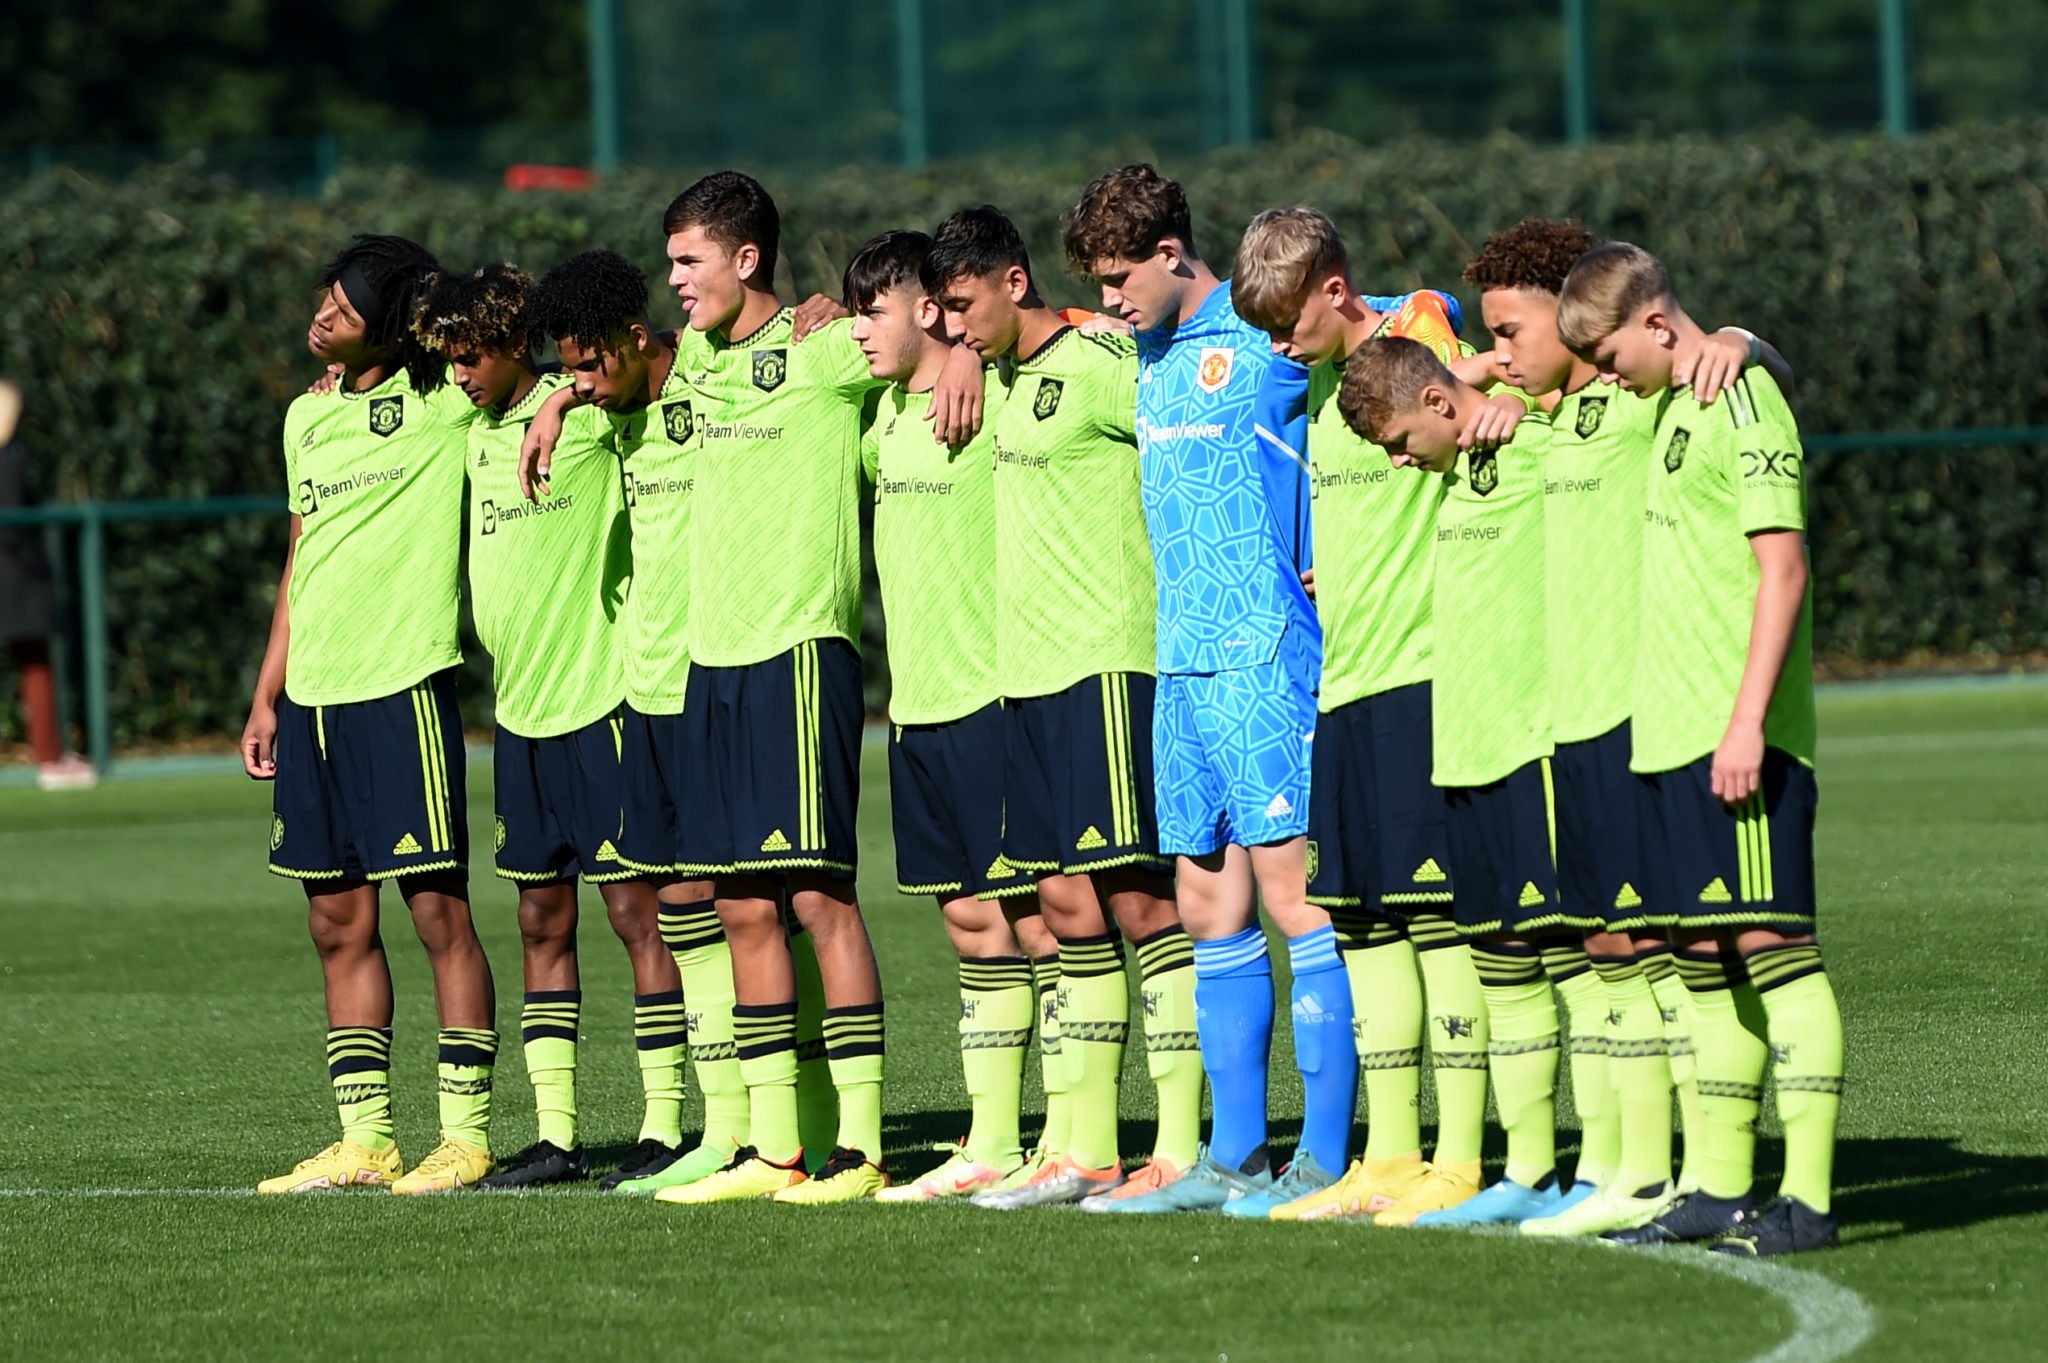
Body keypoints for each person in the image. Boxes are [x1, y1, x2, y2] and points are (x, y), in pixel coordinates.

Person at [650, 173, 980, 1206]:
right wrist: (561, 396)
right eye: (669, 264)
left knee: (814, 895)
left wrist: (966, 347)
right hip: (710, 661)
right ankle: (773, 1148)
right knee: (740, 903)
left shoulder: (824, 349)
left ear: (745, 258)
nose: (675, 283)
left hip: (799, 650)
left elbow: (920, 328)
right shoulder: (697, 357)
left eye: (688, 262)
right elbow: (622, 369)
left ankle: (861, 1148)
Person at [1055, 164, 1340, 1215]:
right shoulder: (1135, 347)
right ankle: (1233, 1153)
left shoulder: (1264, 330)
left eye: (1122, 275)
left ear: (1173, 253)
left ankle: (1321, 1152)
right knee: (1204, 904)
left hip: (1266, 653)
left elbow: (1401, 319)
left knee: (1289, 899)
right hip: (1180, 667)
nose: (1110, 295)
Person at [1558, 242, 1842, 1256]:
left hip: (1734, 736)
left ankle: (1805, 1200)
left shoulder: (1738, 400)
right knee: (1696, 957)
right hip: (1665, 736)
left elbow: (1782, 572)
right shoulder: (1668, 403)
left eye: (1605, 352)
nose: (1600, 375)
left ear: (1656, 323)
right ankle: (1717, 1187)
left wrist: (1744, 725)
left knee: (1771, 951)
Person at [1229, 207, 1510, 1222]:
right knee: (1361, 924)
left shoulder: (1422, 337)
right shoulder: (1311, 383)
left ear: (1335, 293)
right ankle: (1388, 1157)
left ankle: (1461, 1156)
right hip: (1341, 685)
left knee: (1437, 926)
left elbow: (1495, 373)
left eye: (1285, 321)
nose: (1275, 343)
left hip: (1422, 676)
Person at [914, 205, 1188, 1210]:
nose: (950, 325)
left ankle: (1178, 1143)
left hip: (1107, 661)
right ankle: (1083, 1149)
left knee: (1139, 902)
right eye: (940, 309)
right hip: (1022, 677)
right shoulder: (997, 372)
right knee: (1065, 908)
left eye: (960, 305)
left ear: (1012, 284)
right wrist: (957, 353)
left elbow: (1198, 410)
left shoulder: (1101, 363)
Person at [244, 234, 499, 1195]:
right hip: (313, 701)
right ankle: (367, 1140)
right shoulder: (304, 420)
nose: (322, 315)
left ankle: (465, 1137)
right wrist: (269, 691)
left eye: (346, 309)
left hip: (405, 688)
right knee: (334, 921)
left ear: (387, 325)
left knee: (438, 914)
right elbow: (303, 557)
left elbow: (529, 359)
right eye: (325, 298)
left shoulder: (441, 404)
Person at [521, 249, 754, 1195]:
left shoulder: (704, 361)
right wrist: (563, 402)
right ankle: (718, 1125)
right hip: (645, 691)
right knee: (686, 908)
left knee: (766, 902)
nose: (577, 382)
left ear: (631, 337)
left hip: (727, 681)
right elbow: (585, 392)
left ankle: (779, 1125)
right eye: (565, 368)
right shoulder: (606, 413)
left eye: (587, 364)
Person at [840, 229, 1062, 1202]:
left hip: (993, 697)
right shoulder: (875, 416)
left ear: (929, 308)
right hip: (914, 710)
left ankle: (1072, 1131)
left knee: (1041, 923)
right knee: (970, 923)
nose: (857, 332)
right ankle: (991, 1140)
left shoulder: (997, 392)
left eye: (872, 310)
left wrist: (974, 352)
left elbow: (1054, 335)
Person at [1341, 336, 1573, 1227]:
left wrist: (1514, 397)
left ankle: (1567, 1167)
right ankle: (1523, 1170)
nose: (1400, 463)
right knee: (1504, 954)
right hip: (1464, 736)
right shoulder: (1454, 462)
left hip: (1539, 731)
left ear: (1435, 409)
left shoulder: (1541, 440)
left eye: (1402, 441)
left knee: (1589, 952)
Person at [0, 380, 92, 790]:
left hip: (17, 579)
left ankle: (51, 756)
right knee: (35, 666)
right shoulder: (8, 461)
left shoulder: (13, 455)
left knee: (35, 665)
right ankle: (51, 761)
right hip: (15, 579)